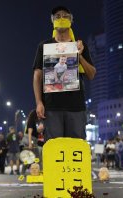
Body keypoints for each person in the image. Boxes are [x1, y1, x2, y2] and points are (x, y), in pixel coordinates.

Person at [32, 6, 96, 141]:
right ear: (52, 21)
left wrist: (79, 56)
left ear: (71, 20)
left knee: (75, 148)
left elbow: (91, 74)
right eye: (57, 16)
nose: (61, 19)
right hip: (51, 107)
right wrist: (39, 102)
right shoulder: (44, 46)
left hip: (76, 106)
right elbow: (37, 76)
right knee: (54, 151)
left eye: (65, 16)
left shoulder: (79, 45)